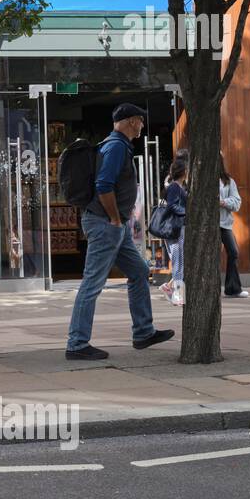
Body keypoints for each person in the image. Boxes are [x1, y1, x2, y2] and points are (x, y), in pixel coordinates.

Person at [66, 103, 175, 360]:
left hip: (114, 225)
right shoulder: (115, 146)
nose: (142, 125)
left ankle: (143, 332)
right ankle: (77, 344)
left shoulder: (117, 145)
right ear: (128, 122)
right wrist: (115, 218)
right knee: (92, 283)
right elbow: (103, 185)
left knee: (138, 271)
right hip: (107, 224)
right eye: (139, 120)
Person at [218, 154, 249, 298]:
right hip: (207, 225)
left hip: (224, 224)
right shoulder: (201, 179)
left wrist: (223, 202)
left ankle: (233, 288)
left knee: (233, 252)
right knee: (211, 256)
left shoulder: (228, 181)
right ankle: (211, 289)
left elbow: (237, 203)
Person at [162, 157, 188, 306]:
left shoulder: (178, 187)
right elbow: (172, 206)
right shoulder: (174, 187)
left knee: (179, 262)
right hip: (175, 229)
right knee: (178, 262)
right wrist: (187, 212)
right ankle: (177, 296)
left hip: (176, 229)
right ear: (184, 171)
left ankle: (171, 290)